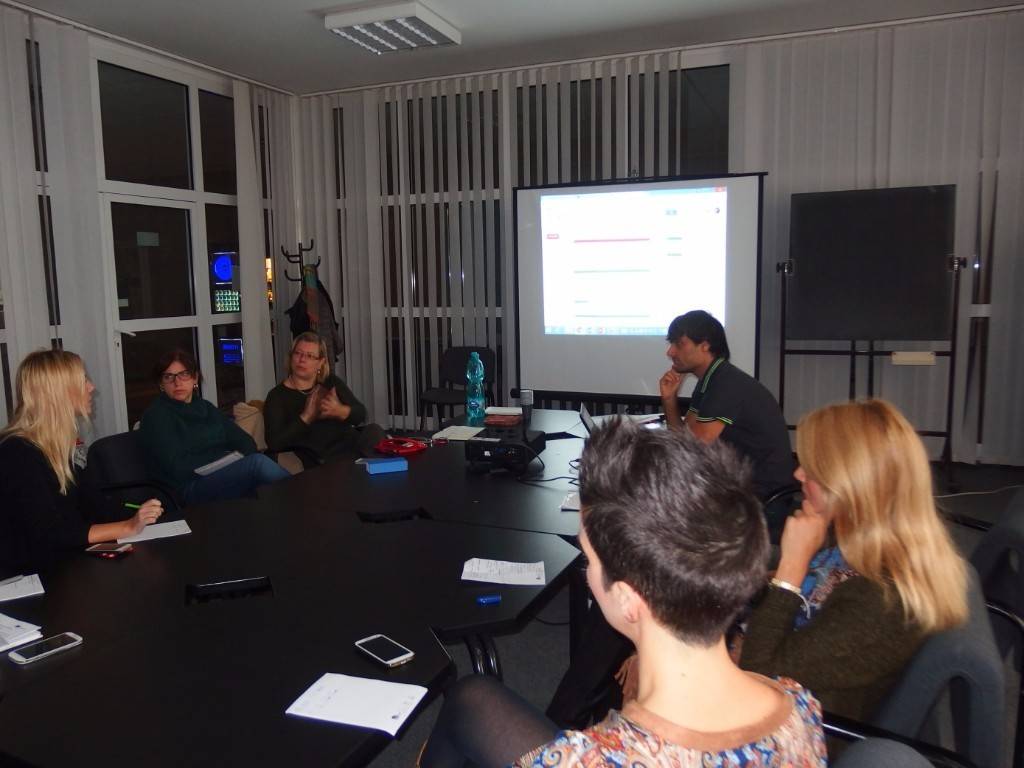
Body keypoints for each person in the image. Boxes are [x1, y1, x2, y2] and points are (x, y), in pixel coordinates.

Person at [419, 419, 827, 768]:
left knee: (470, 698)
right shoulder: (801, 709)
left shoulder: (587, 758)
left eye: (590, 560)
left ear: (629, 599)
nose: (588, 575)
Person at [739, 398, 969, 721]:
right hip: (770, 661)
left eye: (812, 468)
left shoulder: (881, 602)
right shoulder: (861, 547)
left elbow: (759, 674)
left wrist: (793, 565)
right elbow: (812, 594)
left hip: (792, 724)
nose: (798, 473)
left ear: (851, 483)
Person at [0, 349, 163, 577]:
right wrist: (127, 526)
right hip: (30, 580)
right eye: (83, 380)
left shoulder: (56, 448)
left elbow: (92, 507)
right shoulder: (16, 453)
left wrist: (139, 514)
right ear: (58, 392)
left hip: (65, 567)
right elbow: (52, 534)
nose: (91, 387)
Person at [659, 310, 794, 499]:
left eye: (679, 344)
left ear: (705, 345)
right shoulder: (711, 379)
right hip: (740, 486)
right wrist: (669, 399)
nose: (670, 352)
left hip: (762, 495)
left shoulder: (725, 383)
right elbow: (681, 438)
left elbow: (693, 450)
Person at [138, 349, 290, 505]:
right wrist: (223, 458)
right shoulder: (156, 416)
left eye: (184, 374)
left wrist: (229, 460)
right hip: (183, 490)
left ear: (195, 378)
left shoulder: (205, 407)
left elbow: (245, 441)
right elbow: (177, 467)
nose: (177, 383)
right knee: (257, 464)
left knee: (264, 484)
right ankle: (299, 498)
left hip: (217, 477)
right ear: (161, 384)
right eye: (169, 377)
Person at [263, 332, 383, 464]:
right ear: (291, 357)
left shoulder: (330, 382)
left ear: (321, 363)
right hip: (318, 458)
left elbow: (361, 414)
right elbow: (274, 443)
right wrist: (306, 417)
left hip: (350, 447)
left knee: (374, 431)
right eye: (298, 353)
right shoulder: (277, 396)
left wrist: (340, 411)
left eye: (309, 356)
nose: (302, 359)